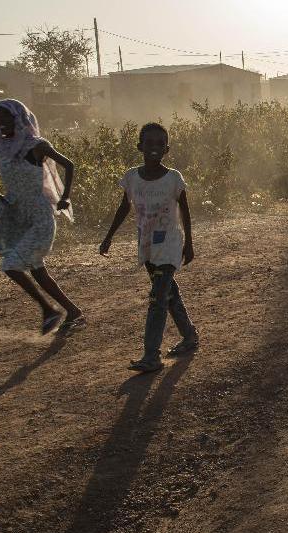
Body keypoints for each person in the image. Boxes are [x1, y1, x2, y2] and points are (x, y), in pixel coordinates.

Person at [99, 122, 198, 373]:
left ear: (167, 149)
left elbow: (185, 210)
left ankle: (151, 355)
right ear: (139, 146)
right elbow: (125, 207)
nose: (154, 147)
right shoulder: (132, 177)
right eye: (149, 143)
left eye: (160, 144)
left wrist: (189, 243)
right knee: (168, 294)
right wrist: (109, 236)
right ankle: (189, 336)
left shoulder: (173, 178)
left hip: (169, 245)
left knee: (157, 299)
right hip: (147, 246)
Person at [0, 99, 83, 334]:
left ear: (19, 119)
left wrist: (65, 197)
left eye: (7, 118)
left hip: (39, 216)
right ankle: (73, 311)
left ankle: (49, 310)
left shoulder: (36, 146)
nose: (2, 124)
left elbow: (69, 165)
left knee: (11, 265)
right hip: (16, 214)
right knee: (38, 270)